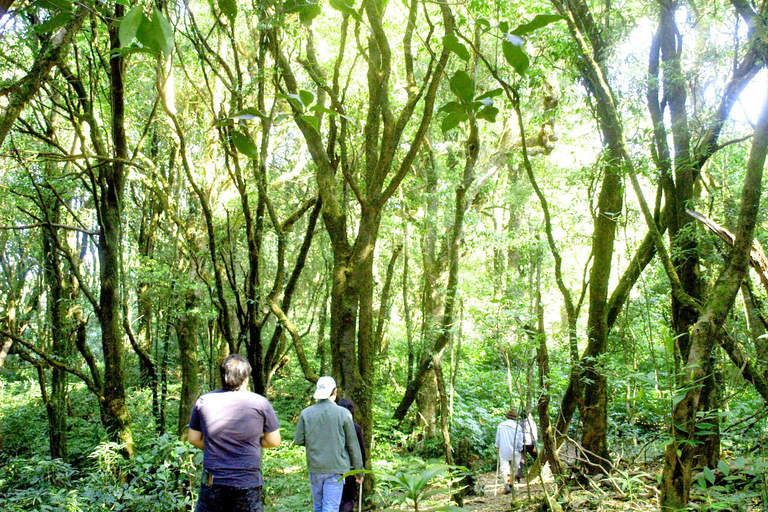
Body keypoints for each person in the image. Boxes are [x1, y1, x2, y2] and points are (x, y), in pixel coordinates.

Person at [188, 354, 281, 512]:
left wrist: (215, 446)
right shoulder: (260, 403)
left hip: (212, 481)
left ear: (222, 376)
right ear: (246, 377)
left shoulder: (204, 401)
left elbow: (193, 438)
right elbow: (274, 441)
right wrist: (248, 444)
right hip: (247, 482)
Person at [294, 376, 364, 512]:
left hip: (315, 467)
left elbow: (299, 440)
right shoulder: (344, 414)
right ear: (335, 391)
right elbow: (352, 445)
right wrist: (359, 470)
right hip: (336, 468)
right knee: (330, 507)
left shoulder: (306, 413)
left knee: (318, 506)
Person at [337, 398, 366, 512]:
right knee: (349, 498)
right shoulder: (355, 427)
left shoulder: (334, 427)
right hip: (351, 468)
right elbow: (360, 451)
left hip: (335, 467)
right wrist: (361, 471)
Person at [495, 409, 524, 493]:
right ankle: (511, 485)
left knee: (504, 468)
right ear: (515, 418)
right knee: (514, 468)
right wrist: (520, 449)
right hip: (515, 451)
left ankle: (506, 485)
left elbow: (498, 439)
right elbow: (520, 440)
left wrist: (497, 448)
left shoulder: (501, 425)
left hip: (503, 450)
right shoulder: (518, 427)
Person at [519, 411, 538, 479]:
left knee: (521, 459)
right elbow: (534, 434)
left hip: (521, 444)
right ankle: (538, 471)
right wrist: (535, 445)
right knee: (536, 458)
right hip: (529, 443)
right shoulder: (531, 423)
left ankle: (518, 476)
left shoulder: (520, 423)